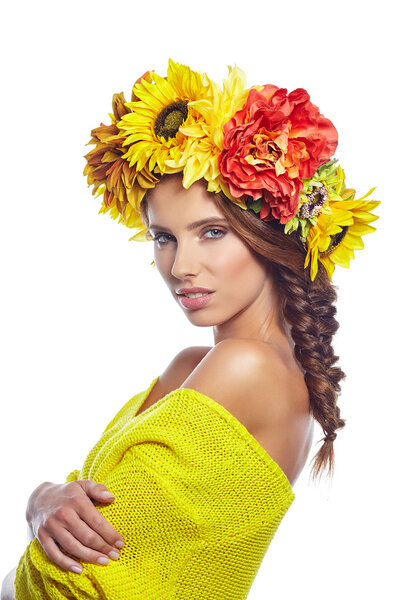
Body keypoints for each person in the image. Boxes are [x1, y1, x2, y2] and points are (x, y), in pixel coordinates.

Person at [1, 58, 380, 600]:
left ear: (269, 236)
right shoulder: (191, 366)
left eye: (211, 232)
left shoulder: (246, 368)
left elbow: (76, 573)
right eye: (164, 238)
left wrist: (43, 518)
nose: (180, 267)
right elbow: (87, 505)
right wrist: (41, 500)